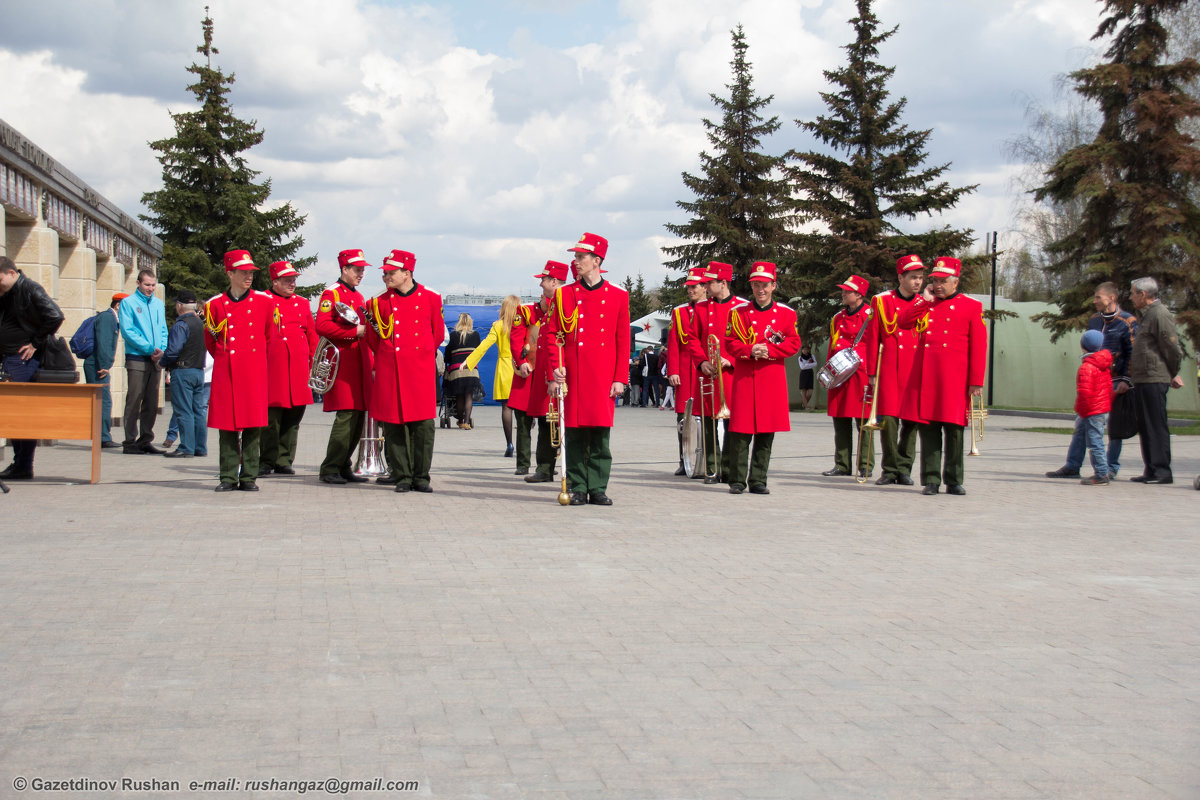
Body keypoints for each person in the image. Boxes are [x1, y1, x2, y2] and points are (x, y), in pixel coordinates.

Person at [546, 232, 630, 505]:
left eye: (581, 257)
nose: (576, 261)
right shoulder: (564, 294)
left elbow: (622, 339)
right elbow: (553, 335)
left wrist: (620, 378)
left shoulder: (618, 295)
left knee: (600, 434)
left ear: (597, 260)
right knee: (575, 433)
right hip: (574, 376)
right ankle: (578, 486)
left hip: (603, 375)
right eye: (576, 257)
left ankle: (598, 487)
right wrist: (556, 369)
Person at [898, 257, 987, 496]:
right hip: (928, 377)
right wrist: (924, 302)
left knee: (955, 430)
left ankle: (954, 479)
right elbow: (903, 322)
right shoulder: (927, 304)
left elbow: (979, 345)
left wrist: (976, 380)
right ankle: (931, 479)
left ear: (955, 281)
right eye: (934, 280)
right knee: (929, 429)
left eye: (942, 281)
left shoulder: (971, 306)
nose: (937, 285)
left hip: (955, 379)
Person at [364, 249, 443, 493]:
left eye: (390, 272)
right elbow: (372, 339)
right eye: (384, 273)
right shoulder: (377, 303)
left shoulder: (431, 297)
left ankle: (421, 476)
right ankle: (402, 476)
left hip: (419, 370)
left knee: (423, 427)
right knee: (394, 425)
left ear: (407, 273)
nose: (385, 276)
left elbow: (437, 335)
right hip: (392, 370)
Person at [723, 262, 802, 495]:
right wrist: (749, 350)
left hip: (771, 379)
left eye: (765, 285)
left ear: (773, 285)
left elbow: (794, 343)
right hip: (746, 378)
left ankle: (758, 479)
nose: (760, 289)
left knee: (766, 432)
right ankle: (737, 480)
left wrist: (770, 351)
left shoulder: (787, 314)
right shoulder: (738, 313)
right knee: (740, 431)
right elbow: (730, 342)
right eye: (756, 285)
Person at [1046, 281, 1138, 480]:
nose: (1095, 301)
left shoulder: (1127, 321)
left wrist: (1127, 379)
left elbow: (1133, 352)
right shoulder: (1095, 320)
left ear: (1111, 298)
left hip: (1116, 381)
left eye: (1098, 297)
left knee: (1113, 428)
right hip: (1096, 378)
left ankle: (1109, 467)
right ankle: (1073, 465)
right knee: (1082, 425)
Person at [204, 250, 274, 491]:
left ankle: (249, 477)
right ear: (230, 273)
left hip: (254, 371)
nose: (249, 277)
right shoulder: (214, 305)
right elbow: (212, 341)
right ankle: (227, 476)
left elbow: (268, 336)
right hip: (227, 372)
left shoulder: (265, 302)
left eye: (251, 272)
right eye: (243, 272)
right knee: (227, 426)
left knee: (253, 426)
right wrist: (226, 360)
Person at [0, 256, 65, 481]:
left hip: (22, 361)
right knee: (14, 414)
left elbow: (55, 316)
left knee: (21, 414)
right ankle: (20, 463)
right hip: (10, 359)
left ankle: (23, 465)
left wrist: (35, 343)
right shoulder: (8, 293)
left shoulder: (29, 289)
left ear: (11, 273)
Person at [864, 255, 926, 486]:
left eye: (920, 278)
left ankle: (904, 468)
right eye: (913, 277)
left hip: (914, 371)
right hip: (889, 369)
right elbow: (873, 338)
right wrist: (872, 372)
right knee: (888, 421)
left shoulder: (924, 303)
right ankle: (890, 469)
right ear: (901, 277)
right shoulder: (882, 301)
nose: (917, 282)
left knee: (911, 421)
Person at [317, 249, 372, 485]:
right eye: (357, 270)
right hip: (342, 363)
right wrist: (354, 332)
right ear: (344, 269)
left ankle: (344, 464)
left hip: (358, 362)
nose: (361, 274)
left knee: (358, 415)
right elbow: (322, 325)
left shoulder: (357, 296)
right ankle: (330, 467)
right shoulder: (331, 293)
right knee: (346, 415)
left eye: (362, 270)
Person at [510, 261, 567, 482]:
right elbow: (517, 337)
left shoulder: (570, 304)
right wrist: (522, 360)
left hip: (565, 371)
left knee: (569, 423)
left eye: (543, 280)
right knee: (545, 420)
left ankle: (573, 471)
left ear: (554, 281)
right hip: (543, 372)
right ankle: (543, 467)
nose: (540, 285)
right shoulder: (527, 310)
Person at [686, 261, 743, 483]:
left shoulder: (741, 307)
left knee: (733, 423)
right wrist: (701, 362)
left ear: (724, 282)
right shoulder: (701, 308)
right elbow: (691, 338)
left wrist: (732, 360)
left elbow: (747, 339)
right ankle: (713, 468)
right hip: (708, 372)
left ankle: (729, 468)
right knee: (708, 423)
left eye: (710, 282)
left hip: (732, 373)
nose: (706, 286)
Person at [260, 260, 318, 476]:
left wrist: (313, 363)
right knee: (271, 419)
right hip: (273, 370)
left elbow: (311, 336)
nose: (292, 283)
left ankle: (284, 460)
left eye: (293, 279)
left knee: (294, 417)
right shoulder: (263, 300)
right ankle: (266, 460)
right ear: (275, 281)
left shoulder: (302, 303)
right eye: (287, 280)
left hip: (298, 370)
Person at [1128, 276, 1184, 485]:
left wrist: (1171, 372)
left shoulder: (1160, 314)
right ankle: (1150, 469)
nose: (1131, 297)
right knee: (1145, 425)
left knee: (1155, 424)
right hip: (1143, 378)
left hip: (1154, 377)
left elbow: (1171, 347)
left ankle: (1162, 471)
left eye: (1133, 293)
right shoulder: (1147, 315)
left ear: (1143, 295)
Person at [823, 274, 874, 478]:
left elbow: (876, 345)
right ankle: (842, 464)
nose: (843, 294)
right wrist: (828, 373)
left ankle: (865, 465)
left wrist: (873, 374)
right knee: (840, 420)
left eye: (847, 291)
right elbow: (832, 347)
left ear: (859, 295)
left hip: (861, 374)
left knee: (863, 422)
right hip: (839, 376)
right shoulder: (838, 318)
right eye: (843, 290)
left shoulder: (871, 316)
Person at [119, 269, 168, 454]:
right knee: (134, 398)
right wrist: (149, 348)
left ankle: (145, 439)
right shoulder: (128, 303)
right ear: (138, 283)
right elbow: (128, 331)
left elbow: (163, 329)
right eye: (147, 284)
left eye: (153, 285)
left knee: (151, 400)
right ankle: (129, 441)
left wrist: (162, 349)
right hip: (137, 357)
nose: (150, 288)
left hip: (156, 358)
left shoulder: (157, 304)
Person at [464, 295, 521, 457]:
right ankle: (523, 444)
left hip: (504, 368)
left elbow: (484, 346)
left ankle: (509, 444)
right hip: (520, 367)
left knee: (506, 407)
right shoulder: (523, 324)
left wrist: (468, 362)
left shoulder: (497, 325)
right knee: (523, 409)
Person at [666, 266, 708, 475]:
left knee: (707, 418)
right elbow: (673, 343)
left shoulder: (712, 310)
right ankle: (684, 460)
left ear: (705, 287)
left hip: (706, 371)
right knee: (683, 418)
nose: (690, 290)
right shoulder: (680, 312)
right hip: (685, 371)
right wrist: (673, 370)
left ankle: (708, 460)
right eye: (689, 287)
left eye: (694, 287)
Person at [159, 290, 207, 459]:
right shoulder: (200, 324)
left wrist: (162, 362)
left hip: (182, 370)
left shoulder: (181, 325)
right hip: (198, 371)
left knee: (183, 410)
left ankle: (187, 447)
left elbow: (173, 350)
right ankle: (200, 446)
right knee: (198, 410)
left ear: (179, 306)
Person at [82, 292, 126, 449]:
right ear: (118, 305)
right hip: (97, 366)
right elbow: (104, 343)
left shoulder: (111, 318)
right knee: (103, 401)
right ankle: (102, 437)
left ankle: (102, 436)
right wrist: (105, 366)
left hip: (98, 364)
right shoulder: (108, 318)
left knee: (103, 401)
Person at [1070, 330, 1114, 486]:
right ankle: (1072, 466)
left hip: (1091, 410)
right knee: (1089, 437)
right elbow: (1109, 387)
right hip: (1102, 408)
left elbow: (1084, 393)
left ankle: (1102, 473)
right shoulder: (1103, 364)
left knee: (1095, 441)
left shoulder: (1087, 367)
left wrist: (1082, 410)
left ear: (1083, 346)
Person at [444, 313, 483, 429]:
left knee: (459, 396)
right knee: (469, 396)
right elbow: (478, 352)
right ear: (470, 322)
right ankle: (466, 422)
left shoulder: (453, 335)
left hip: (457, 371)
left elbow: (447, 356)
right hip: (471, 370)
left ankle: (460, 421)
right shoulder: (476, 335)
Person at [796, 344, 817, 410]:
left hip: (810, 373)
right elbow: (802, 366)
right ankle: (806, 407)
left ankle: (804, 404)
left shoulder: (812, 356)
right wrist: (810, 364)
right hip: (803, 374)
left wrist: (807, 365)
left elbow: (815, 364)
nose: (805, 351)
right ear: (802, 350)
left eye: (807, 349)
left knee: (810, 392)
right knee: (804, 391)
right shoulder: (800, 358)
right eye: (804, 349)